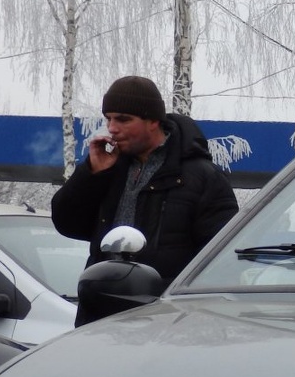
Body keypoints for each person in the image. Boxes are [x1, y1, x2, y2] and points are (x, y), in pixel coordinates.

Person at [52, 75, 237, 293]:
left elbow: (222, 260)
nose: (112, 128)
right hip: (101, 310)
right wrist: (91, 174)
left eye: (123, 119)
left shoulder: (202, 177)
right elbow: (67, 223)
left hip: (163, 316)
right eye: (108, 119)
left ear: (153, 121)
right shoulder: (109, 168)